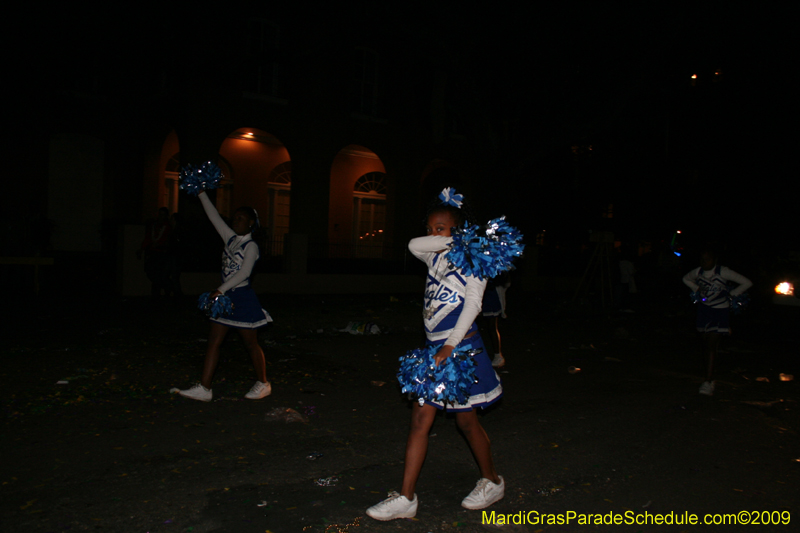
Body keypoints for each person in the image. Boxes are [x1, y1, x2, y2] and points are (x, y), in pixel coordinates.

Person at [366, 189, 504, 521]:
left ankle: (492, 481)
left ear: (457, 229)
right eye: (430, 227)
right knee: (420, 419)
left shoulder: (475, 259)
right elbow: (414, 244)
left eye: (440, 228)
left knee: (467, 422)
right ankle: (406, 497)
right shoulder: (434, 254)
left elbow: (473, 303)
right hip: (435, 350)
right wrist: (448, 238)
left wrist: (450, 345)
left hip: (461, 347)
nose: (432, 234)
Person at [177, 190, 273, 402]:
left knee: (250, 344)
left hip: (243, 298)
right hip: (225, 298)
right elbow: (214, 217)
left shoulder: (251, 246)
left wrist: (220, 289)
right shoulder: (230, 239)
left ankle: (263, 383)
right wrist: (201, 193)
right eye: (234, 217)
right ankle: (205, 388)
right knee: (214, 341)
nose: (235, 221)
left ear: (250, 223)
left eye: (241, 218)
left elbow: (244, 273)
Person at [682, 247, 752, 396]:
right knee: (706, 343)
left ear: (715, 260)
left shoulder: (723, 271)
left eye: (707, 259)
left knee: (711, 345)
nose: (704, 262)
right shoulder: (698, 272)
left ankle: (708, 381)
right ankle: (710, 375)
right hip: (703, 311)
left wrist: (731, 294)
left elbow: (746, 282)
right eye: (702, 259)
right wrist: (696, 289)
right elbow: (685, 278)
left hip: (720, 311)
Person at [138, 207, 172, 298]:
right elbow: (148, 238)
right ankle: (156, 294)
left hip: (163, 255)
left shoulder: (168, 227)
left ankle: (165, 293)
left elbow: (168, 241)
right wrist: (142, 249)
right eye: (159, 214)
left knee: (162, 275)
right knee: (152, 274)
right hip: (154, 254)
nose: (160, 217)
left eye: (163, 215)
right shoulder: (154, 226)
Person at [480, 272, 510, 367]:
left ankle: (498, 355)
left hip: (490, 294)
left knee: (491, 326)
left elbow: (506, 281)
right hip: (479, 292)